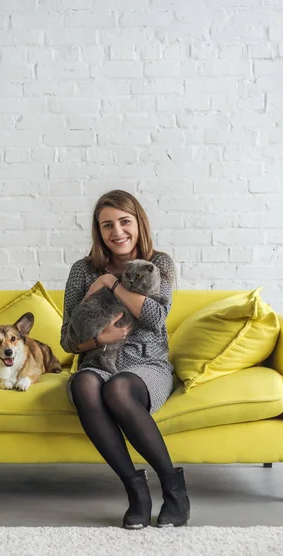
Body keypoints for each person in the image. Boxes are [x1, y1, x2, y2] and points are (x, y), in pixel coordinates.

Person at [60, 190, 190, 529]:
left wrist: (112, 284)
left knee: (118, 389)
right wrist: (100, 338)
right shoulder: (82, 271)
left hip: (148, 367)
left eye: (124, 221)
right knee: (86, 385)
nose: (117, 231)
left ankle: (175, 491)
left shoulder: (157, 264)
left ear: (138, 223)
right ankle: (136, 491)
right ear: (98, 231)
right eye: (107, 225)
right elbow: (67, 341)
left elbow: (156, 319)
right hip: (99, 362)